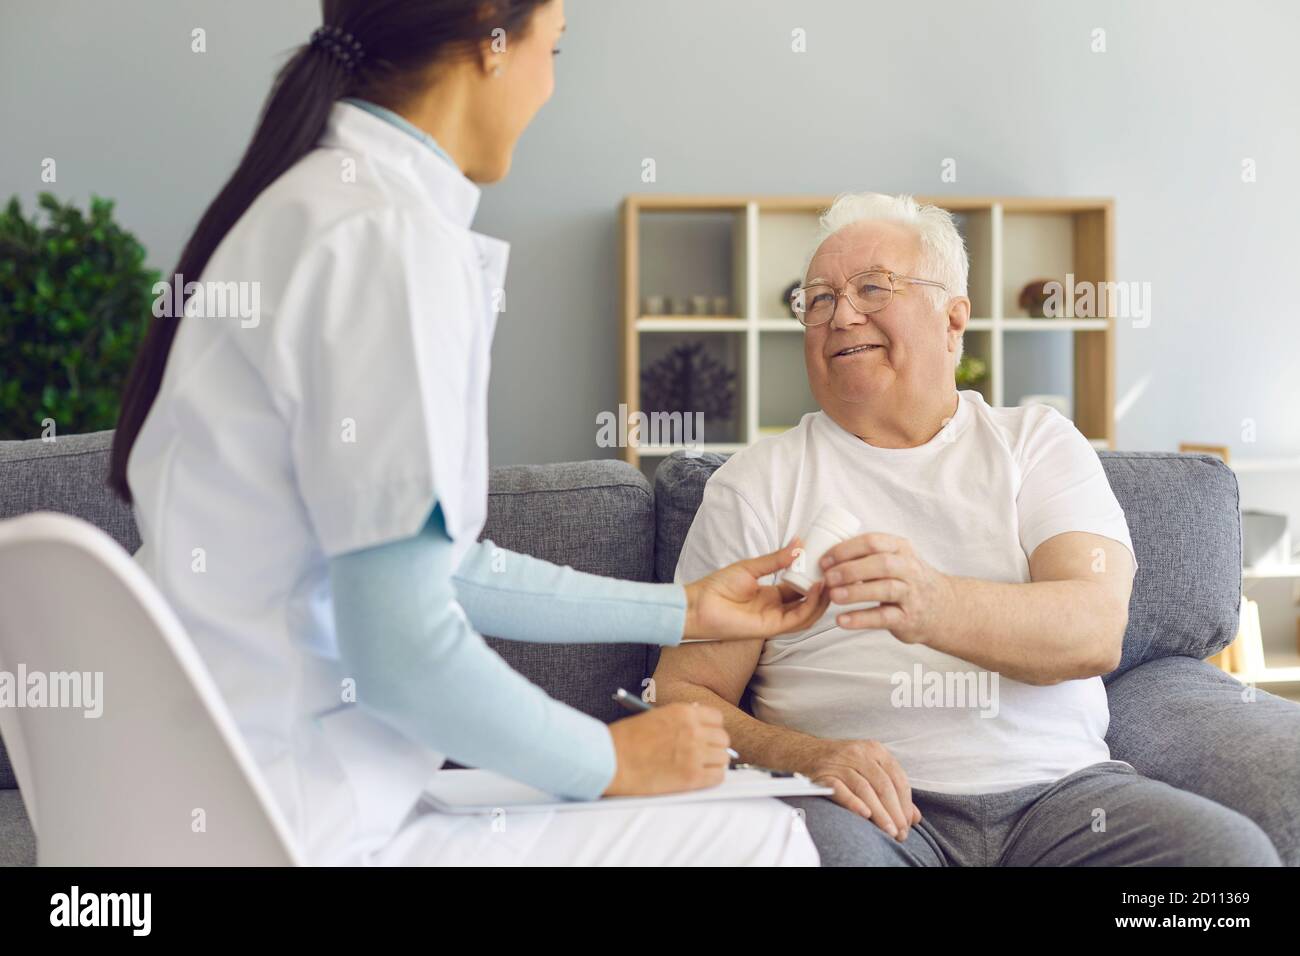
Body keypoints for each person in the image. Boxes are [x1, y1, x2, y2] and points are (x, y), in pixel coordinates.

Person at [109, 0, 826, 866]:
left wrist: (683, 610)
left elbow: (426, 570)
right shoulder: (387, 240)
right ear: (493, 36)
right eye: (553, 47)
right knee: (766, 837)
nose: (550, 83)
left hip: (217, 801)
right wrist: (611, 760)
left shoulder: (308, 207)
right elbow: (404, 651)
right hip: (294, 823)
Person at [651, 191, 1282, 866]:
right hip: (865, 814)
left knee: (1226, 859)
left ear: (954, 320)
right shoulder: (755, 483)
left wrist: (932, 602)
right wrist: (806, 755)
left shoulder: (1039, 444)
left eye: (872, 287)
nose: (841, 314)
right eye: (819, 298)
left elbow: (1094, 631)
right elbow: (681, 694)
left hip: (1063, 801)